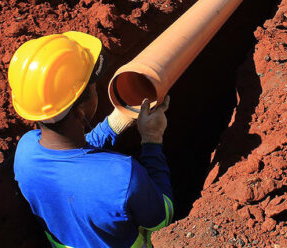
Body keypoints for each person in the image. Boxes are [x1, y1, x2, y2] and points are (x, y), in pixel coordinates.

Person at [9, 31, 173, 248]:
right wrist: (152, 139)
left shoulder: (25, 151)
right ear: (80, 112)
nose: (97, 91)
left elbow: (76, 154)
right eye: (93, 89)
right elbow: (162, 218)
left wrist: (118, 119)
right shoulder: (123, 176)